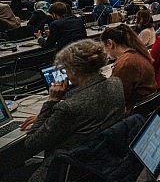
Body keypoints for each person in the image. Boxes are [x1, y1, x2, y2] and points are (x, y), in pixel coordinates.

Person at [20, 39, 125, 182]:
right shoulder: (116, 83)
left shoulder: (68, 107)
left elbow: (31, 143)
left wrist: (51, 102)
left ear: (74, 71)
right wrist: (48, 116)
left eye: (65, 69)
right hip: (101, 160)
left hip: (65, 170)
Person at [101, 24, 156, 112]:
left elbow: (115, 97)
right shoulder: (138, 53)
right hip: (147, 107)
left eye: (104, 47)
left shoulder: (126, 63)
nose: (105, 51)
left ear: (110, 43)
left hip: (134, 110)